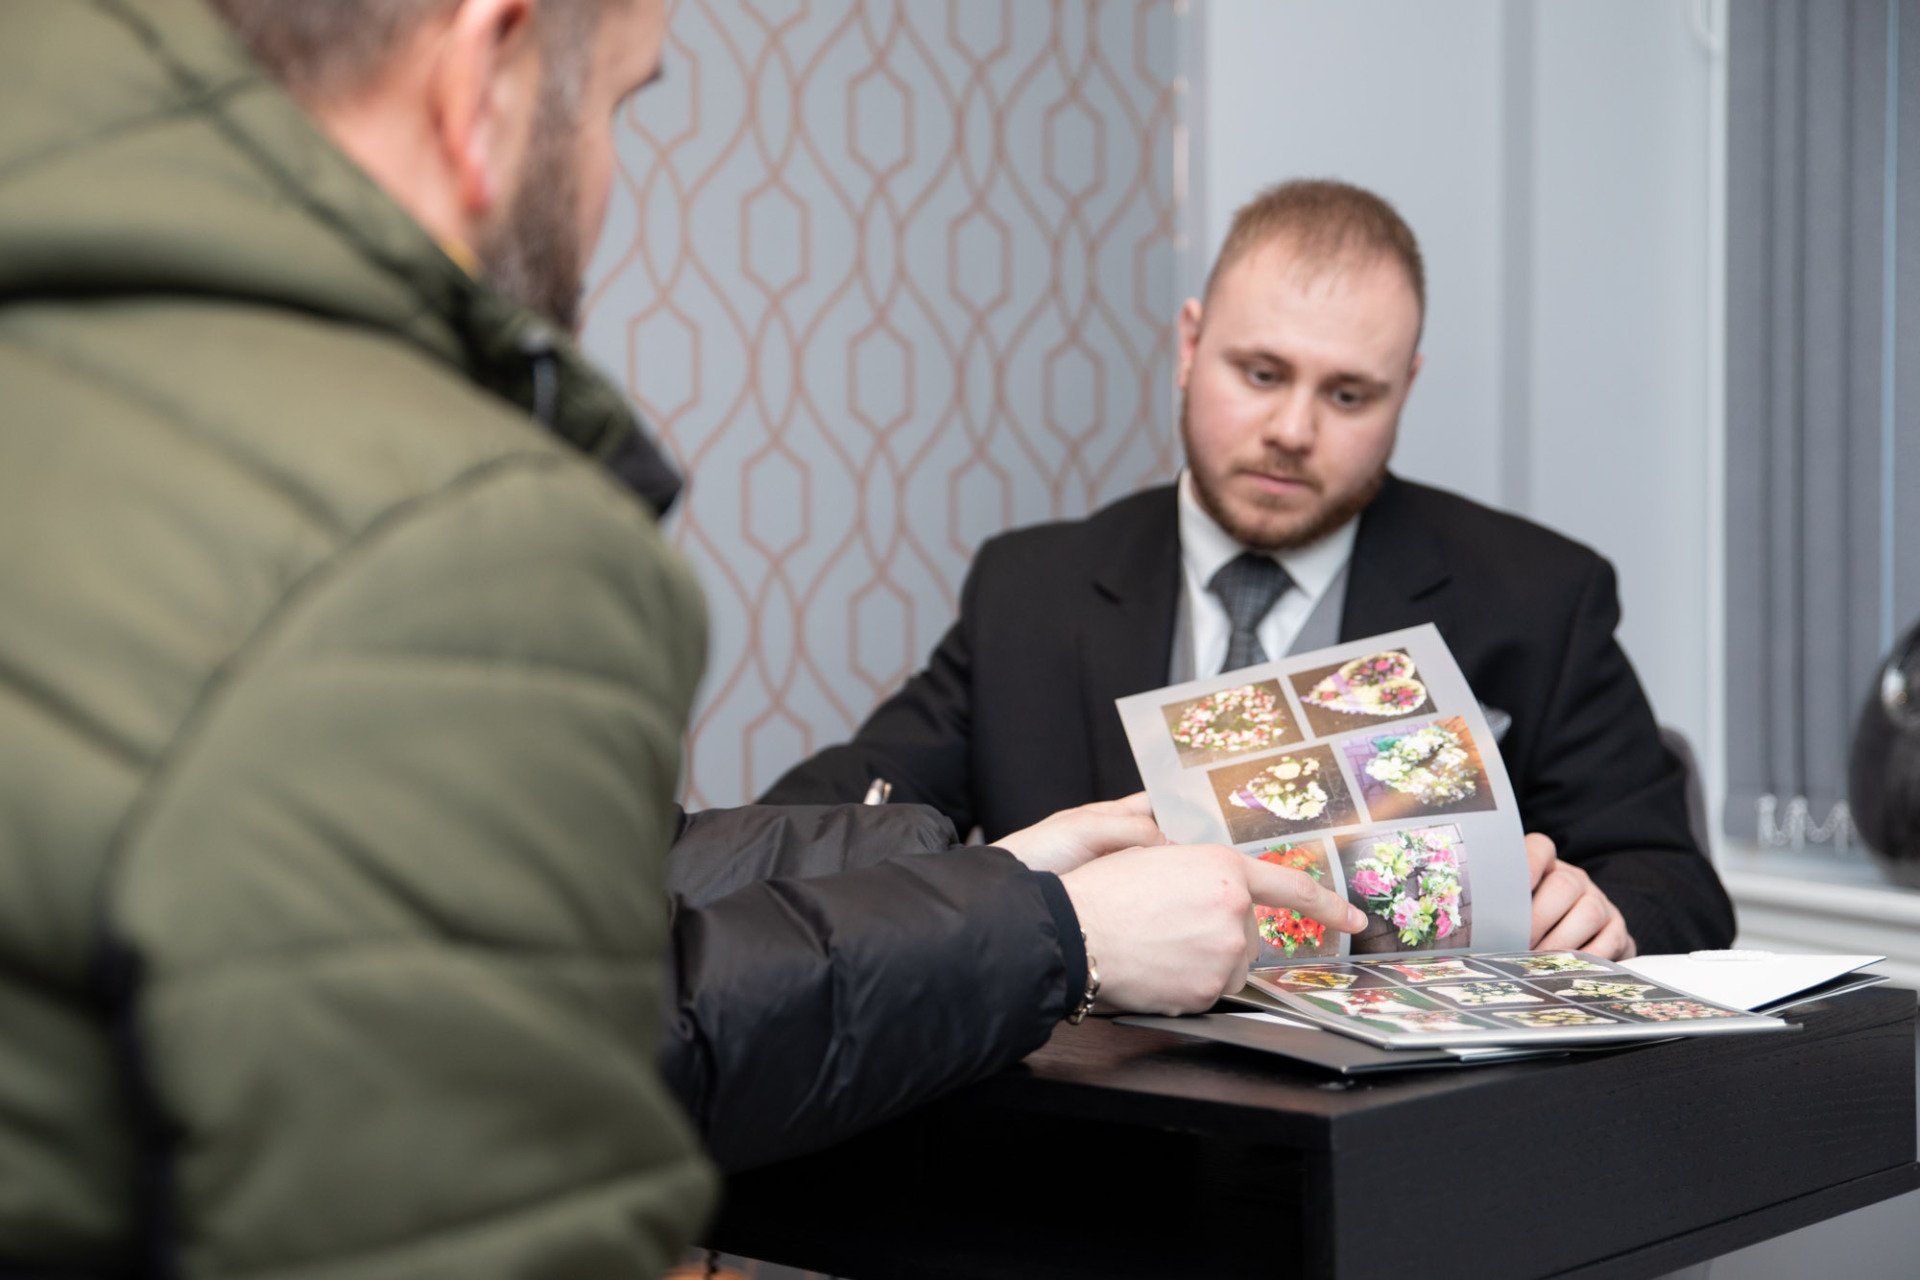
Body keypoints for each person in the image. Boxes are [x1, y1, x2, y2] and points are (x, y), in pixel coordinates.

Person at [0, 1, 1360, 1272]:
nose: (602, 182)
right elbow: (594, 1051)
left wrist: (1005, 873)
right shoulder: (427, 529)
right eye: (616, 111)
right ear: (485, 72)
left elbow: (604, 886)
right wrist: (1052, 928)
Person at [764, 179, 1738, 960]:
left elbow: (1676, 887)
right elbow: (849, 811)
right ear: (1190, 346)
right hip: (1094, 1126)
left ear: (1405, 392)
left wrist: (1601, 910)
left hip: (1402, 1146)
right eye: (1261, 373)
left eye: (1348, 393)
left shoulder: (1537, 596)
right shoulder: (1032, 587)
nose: (1292, 430)